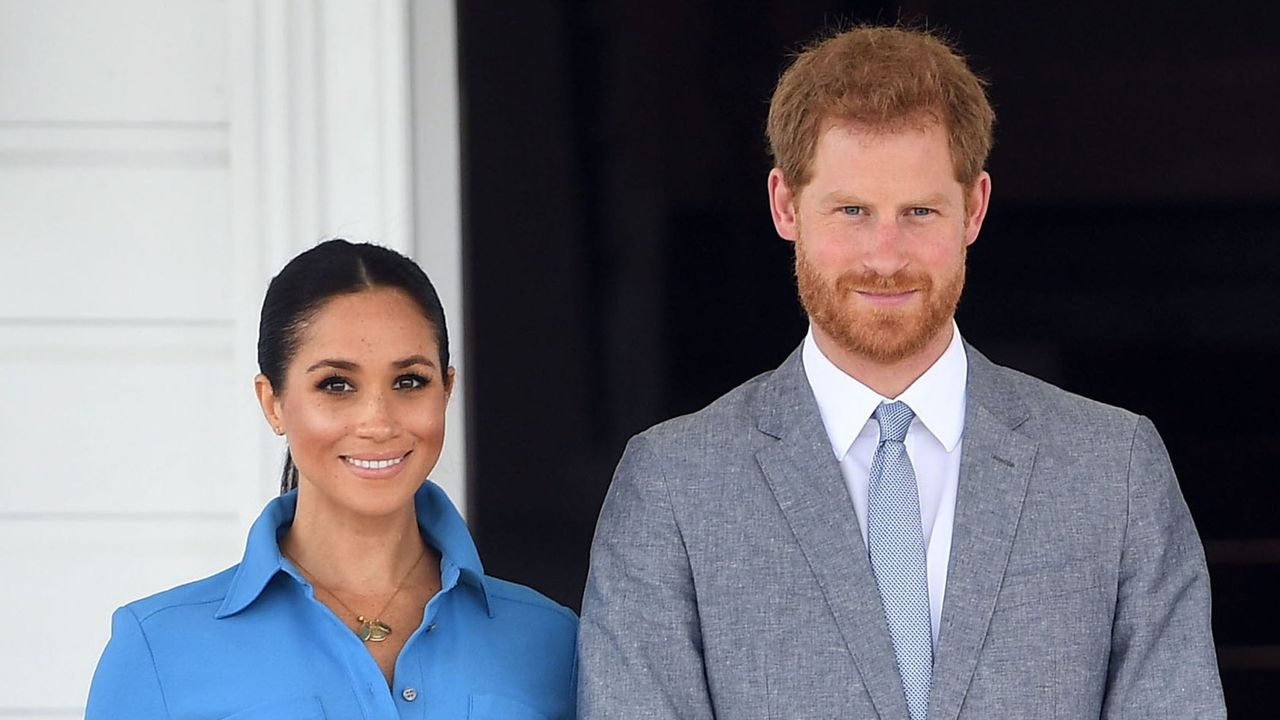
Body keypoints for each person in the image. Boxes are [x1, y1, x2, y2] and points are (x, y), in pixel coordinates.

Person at [578, 25, 1225, 720]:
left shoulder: (1114, 471)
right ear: (785, 205)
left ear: (973, 207)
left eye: (919, 212)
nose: (885, 257)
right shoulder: (673, 488)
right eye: (852, 211)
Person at [87, 240, 576, 719]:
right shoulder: (158, 651)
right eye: (335, 384)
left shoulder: (553, 642)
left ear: (446, 389)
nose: (379, 422)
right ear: (272, 402)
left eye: (409, 381)